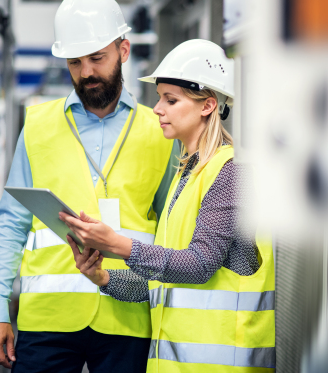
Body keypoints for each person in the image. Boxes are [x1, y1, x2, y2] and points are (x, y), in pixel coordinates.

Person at [0, 0, 179, 373]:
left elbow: (174, 228)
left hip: (131, 314)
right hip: (48, 319)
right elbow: (12, 222)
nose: (86, 72)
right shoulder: (37, 126)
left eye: (96, 58)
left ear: (123, 51)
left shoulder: (160, 130)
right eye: (75, 62)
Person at [60, 39, 276, 372]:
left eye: (170, 100)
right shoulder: (187, 174)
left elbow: (200, 264)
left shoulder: (232, 172)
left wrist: (117, 244)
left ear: (207, 106)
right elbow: (165, 284)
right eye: (160, 98)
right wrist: (103, 277)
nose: (158, 109)